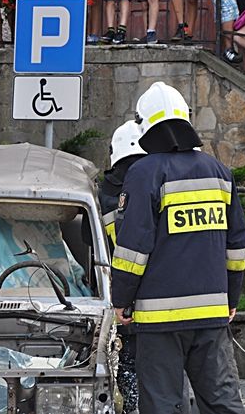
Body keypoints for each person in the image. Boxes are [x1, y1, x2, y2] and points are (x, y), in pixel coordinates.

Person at [111, 81, 245, 414]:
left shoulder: (144, 173)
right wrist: (231, 297)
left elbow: (133, 249)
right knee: (222, 402)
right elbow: (237, 244)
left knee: (162, 403)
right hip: (212, 314)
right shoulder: (219, 171)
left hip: (161, 318)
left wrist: (122, 301)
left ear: (146, 126)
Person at [100, 120, 147, 414]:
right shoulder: (153, 180)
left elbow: (90, 245)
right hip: (156, 290)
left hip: (118, 291)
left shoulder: (105, 192)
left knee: (127, 362)